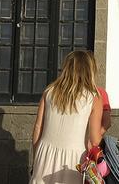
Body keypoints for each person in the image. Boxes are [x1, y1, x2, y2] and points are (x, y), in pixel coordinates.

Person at [30, 50, 104, 184]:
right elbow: (95, 141)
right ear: (89, 70)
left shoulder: (49, 91)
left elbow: (37, 128)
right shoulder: (93, 97)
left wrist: (37, 158)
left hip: (45, 153)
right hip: (74, 159)